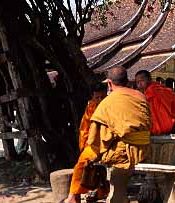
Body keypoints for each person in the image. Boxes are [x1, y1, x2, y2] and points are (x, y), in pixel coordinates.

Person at [64, 66, 152, 203]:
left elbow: (94, 138)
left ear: (109, 83)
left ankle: (73, 197)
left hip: (123, 152)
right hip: (145, 149)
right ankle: (99, 191)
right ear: (127, 81)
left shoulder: (107, 103)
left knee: (85, 158)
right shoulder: (141, 96)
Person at [135, 70, 175, 160]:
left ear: (149, 80)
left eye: (142, 81)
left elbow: (157, 116)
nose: (140, 84)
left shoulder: (153, 92)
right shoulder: (156, 89)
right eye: (137, 82)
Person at [63, 83, 107, 203]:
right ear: (92, 96)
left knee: (82, 164)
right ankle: (95, 192)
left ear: (106, 95)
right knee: (84, 162)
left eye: (102, 97)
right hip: (93, 145)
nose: (99, 100)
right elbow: (84, 129)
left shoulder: (110, 105)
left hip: (108, 143)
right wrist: (83, 146)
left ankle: (73, 196)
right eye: (96, 97)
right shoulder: (90, 108)